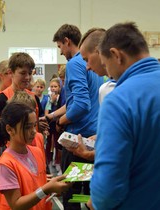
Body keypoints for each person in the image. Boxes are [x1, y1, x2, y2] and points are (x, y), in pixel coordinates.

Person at [88, 22, 160, 210]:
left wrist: (95, 200)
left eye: (106, 66)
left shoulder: (119, 100)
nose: (109, 75)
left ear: (117, 55)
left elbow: (107, 191)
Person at [50, 24, 103, 210]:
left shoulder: (75, 63)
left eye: (60, 47)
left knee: (70, 191)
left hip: (77, 141)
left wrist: (61, 122)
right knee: (88, 193)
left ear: (67, 41)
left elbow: (80, 105)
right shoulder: (94, 66)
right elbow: (75, 101)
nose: (61, 52)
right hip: (93, 138)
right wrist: (53, 115)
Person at [0, 102, 71, 210]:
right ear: (10, 129)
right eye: (27, 127)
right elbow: (16, 204)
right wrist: (46, 189)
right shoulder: (6, 165)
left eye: (34, 125)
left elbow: (35, 186)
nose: (34, 131)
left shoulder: (37, 152)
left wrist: (54, 187)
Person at [67, 28, 116, 160]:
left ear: (99, 51)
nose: (87, 66)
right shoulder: (107, 86)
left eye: (87, 59)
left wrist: (60, 120)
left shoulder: (115, 90)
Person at [0, 52, 48, 146]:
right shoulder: (2, 99)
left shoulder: (33, 97)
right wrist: (16, 145)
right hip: (13, 154)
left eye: (29, 73)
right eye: (23, 73)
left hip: (33, 152)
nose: (27, 77)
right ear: (11, 72)